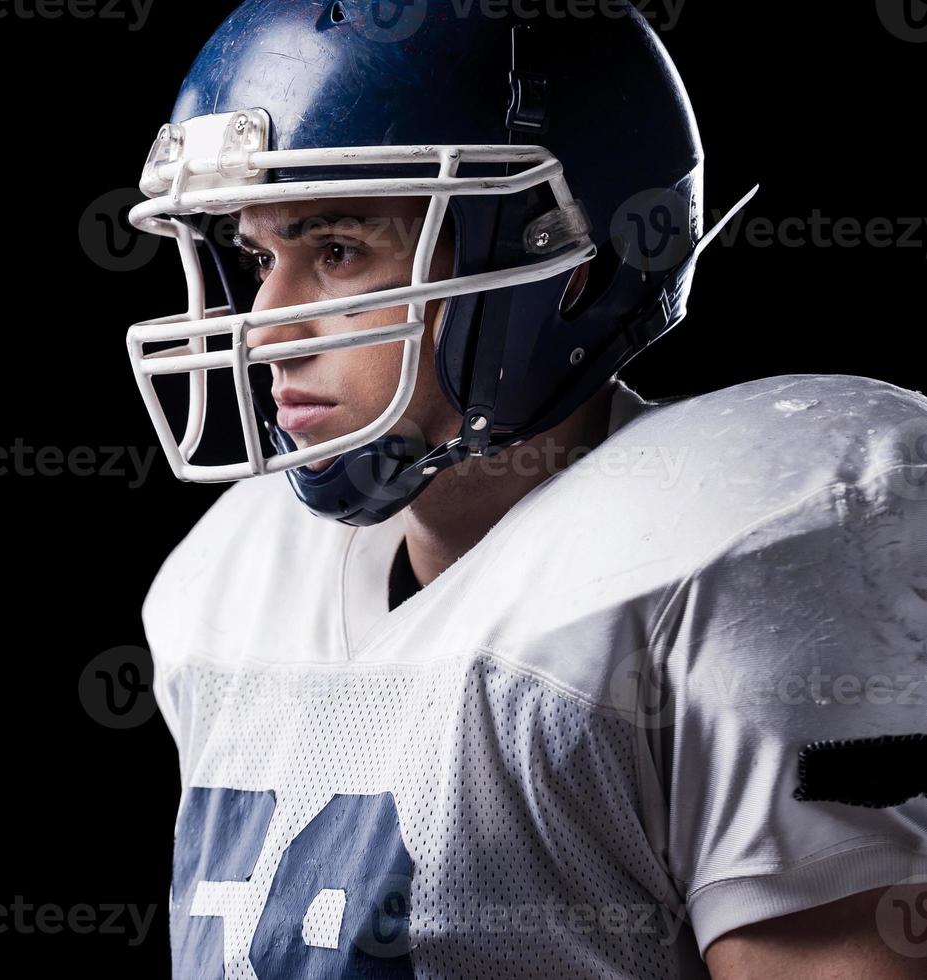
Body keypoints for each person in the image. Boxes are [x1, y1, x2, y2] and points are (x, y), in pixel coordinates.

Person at [126, 2, 927, 978]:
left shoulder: (742, 548)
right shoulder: (225, 584)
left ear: (568, 267)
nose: (266, 324)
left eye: (336, 251)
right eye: (260, 257)